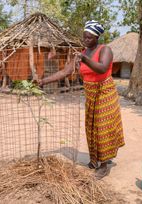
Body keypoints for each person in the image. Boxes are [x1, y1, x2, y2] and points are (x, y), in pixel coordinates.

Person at [38, 20, 125, 178]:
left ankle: (104, 166)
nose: (86, 40)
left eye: (89, 38)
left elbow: (102, 68)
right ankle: (95, 159)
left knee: (102, 128)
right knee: (91, 128)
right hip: (91, 94)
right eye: (84, 37)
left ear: (97, 37)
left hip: (105, 93)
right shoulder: (82, 53)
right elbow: (65, 71)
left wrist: (85, 60)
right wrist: (44, 81)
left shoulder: (105, 50)